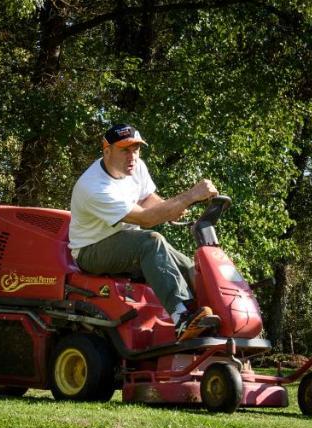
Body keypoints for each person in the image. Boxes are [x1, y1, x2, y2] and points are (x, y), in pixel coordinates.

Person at [68, 123, 220, 339]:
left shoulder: (135, 167)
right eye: (124, 150)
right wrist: (189, 196)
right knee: (152, 241)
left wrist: (170, 208)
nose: (132, 156)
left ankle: (210, 316)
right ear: (107, 151)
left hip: (126, 242)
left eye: (136, 149)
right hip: (91, 250)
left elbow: (148, 199)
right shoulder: (93, 187)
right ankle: (182, 318)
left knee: (191, 267)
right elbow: (145, 219)